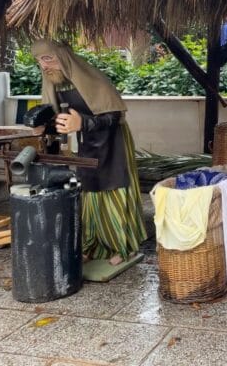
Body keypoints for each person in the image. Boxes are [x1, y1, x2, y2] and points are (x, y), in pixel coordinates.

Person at [31, 39, 147, 265]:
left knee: (114, 190)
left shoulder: (94, 79)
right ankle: (92, 245)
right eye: (39, 61)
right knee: (89, 191)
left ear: (63, 57)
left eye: (47, 58)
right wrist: (45, 126)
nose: (44, 66)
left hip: (112, 142)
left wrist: (82, 123)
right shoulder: (57, 84)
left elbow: (113, 116)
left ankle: (123, 246)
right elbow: (61, 120)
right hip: (87, 144)